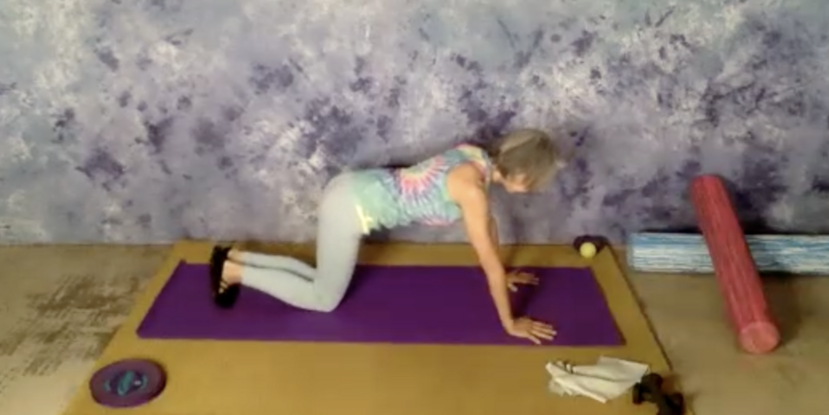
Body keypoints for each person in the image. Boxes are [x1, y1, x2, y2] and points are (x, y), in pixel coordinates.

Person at [210, 128, 565, 344]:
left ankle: (236, 258)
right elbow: (487, 261)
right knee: (323, 298)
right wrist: (510, 323)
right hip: (349, 207)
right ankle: (234, 272)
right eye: (537, 180)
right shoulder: (472, 190)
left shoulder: (475, 157)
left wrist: (504, 271)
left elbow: (488, 227)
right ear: (523, 174)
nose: (536, 188)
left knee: (321, 277)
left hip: (354, 188)